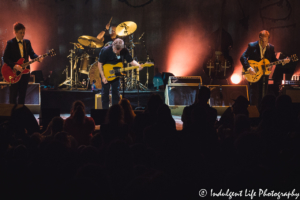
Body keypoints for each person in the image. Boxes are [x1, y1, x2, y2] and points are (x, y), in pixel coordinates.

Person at [240, 30, 290, 107]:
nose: (263, 43)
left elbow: (274, 60)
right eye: (262, 41)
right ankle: (254, 116)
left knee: (263, 98)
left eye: (265, 41)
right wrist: (249, 68)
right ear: (259, 38)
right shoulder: (252, 45)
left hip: (264, 76)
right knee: (254, 98)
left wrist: (283, 61)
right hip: (253, 75)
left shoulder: (271, 47)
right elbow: (242, 57)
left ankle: (261, 115)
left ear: (268, 39)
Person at [3, 22, 43, 104]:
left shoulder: (27, 42)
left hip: (25, 73)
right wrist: (15, 66)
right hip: (14, 73)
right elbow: (5, 58)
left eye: (24, 32)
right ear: (15, 32)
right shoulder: (10, 43)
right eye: (21, 32)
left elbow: (32, 54)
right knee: (13, 96)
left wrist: (38, 57)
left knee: (22, 96)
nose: (23, 34)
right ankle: (12, 115)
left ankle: (20, 114)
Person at [98, 38, 143, 109]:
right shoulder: (105, 50)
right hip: (106, 74)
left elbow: (130, 61)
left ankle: (115, 112)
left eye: (118, 51)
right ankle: (105, 112)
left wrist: (138, 65)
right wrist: (103, 77)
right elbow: (100, 64)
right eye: (115, 50)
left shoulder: (124, 51)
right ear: (113, 46)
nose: (116, 52)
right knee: (105, 94)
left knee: (116, 93)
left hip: (116, 74)